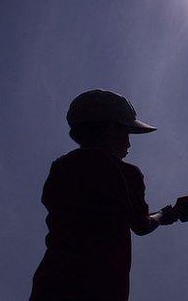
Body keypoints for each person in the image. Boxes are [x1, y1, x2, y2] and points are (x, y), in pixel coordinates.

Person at [30, 89, 177, 301]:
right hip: (99, 286)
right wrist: (164, 216)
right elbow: (141, 225)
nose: (129, 143)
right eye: (126, 133)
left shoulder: (61, 167)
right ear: (109, 130)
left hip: (51, 283)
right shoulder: (126, 173)